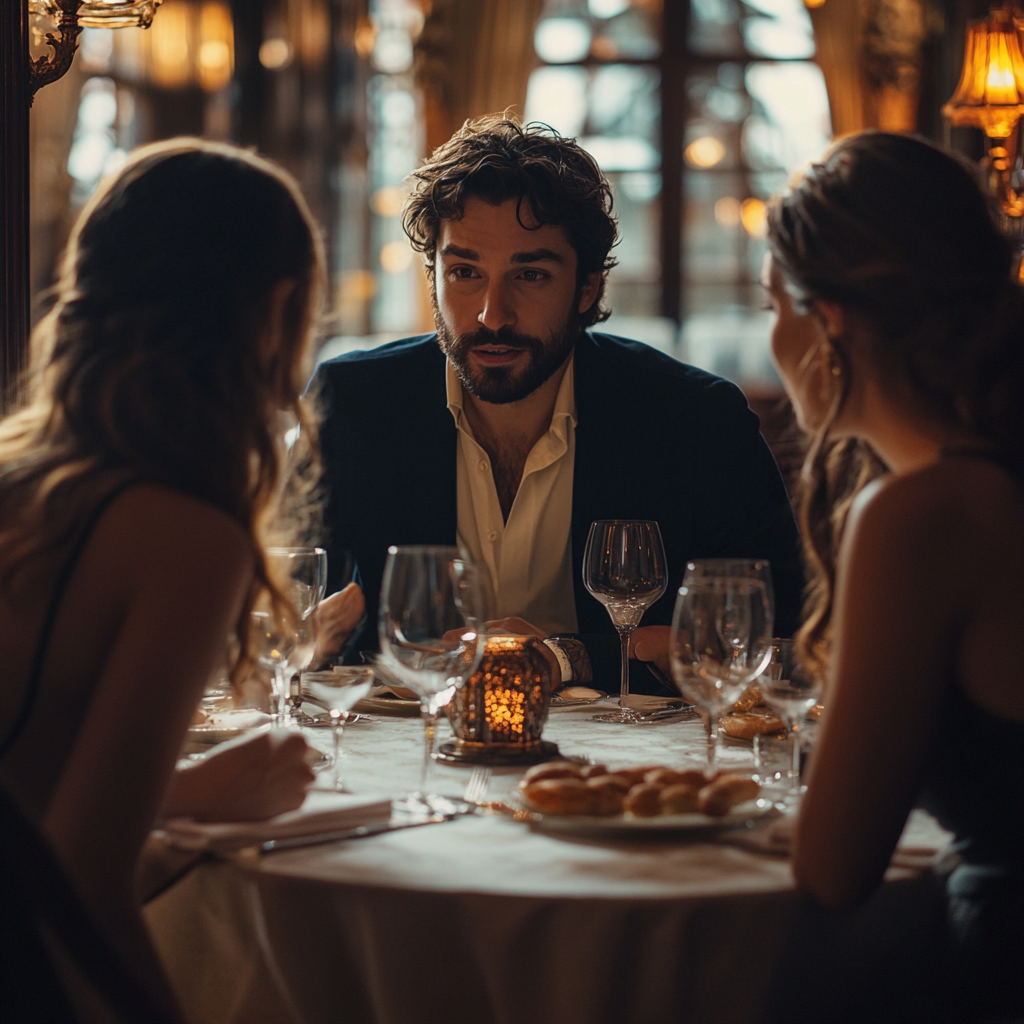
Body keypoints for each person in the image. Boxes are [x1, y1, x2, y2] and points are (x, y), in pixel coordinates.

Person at [0, 139, 326, 1014]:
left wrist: (183, 791)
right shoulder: (183, 536)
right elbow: (81, 878)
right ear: (274, 311)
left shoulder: (16, 478)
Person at [313, 116, 803, 691]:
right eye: (464, 272)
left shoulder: (695, 420)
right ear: (434, 276)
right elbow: (291, 608)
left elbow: (776, 638)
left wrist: (569, 658)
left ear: (587, 288)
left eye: (531, 274)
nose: (492, 315)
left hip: (633, 767)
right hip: (401, 757)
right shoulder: (350, 406)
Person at [763, 132, 1023, 1018]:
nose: (770, 340)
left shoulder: (925, 519)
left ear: (832, 318)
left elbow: (834, 871)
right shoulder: (986, 480)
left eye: (775, 306)